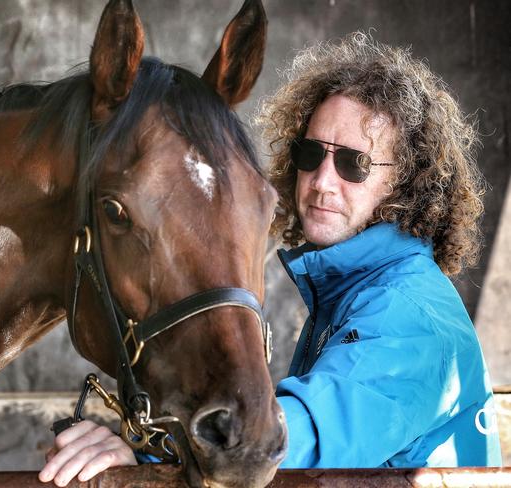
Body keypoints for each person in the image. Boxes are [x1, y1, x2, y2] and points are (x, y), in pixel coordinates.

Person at [38, 32, 502, 486]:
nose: (322, 181)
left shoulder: (410, 314)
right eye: (311, 153)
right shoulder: (353, 297)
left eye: (352, 164)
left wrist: (142, 452)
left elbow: (296, 440)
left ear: (405, 182)